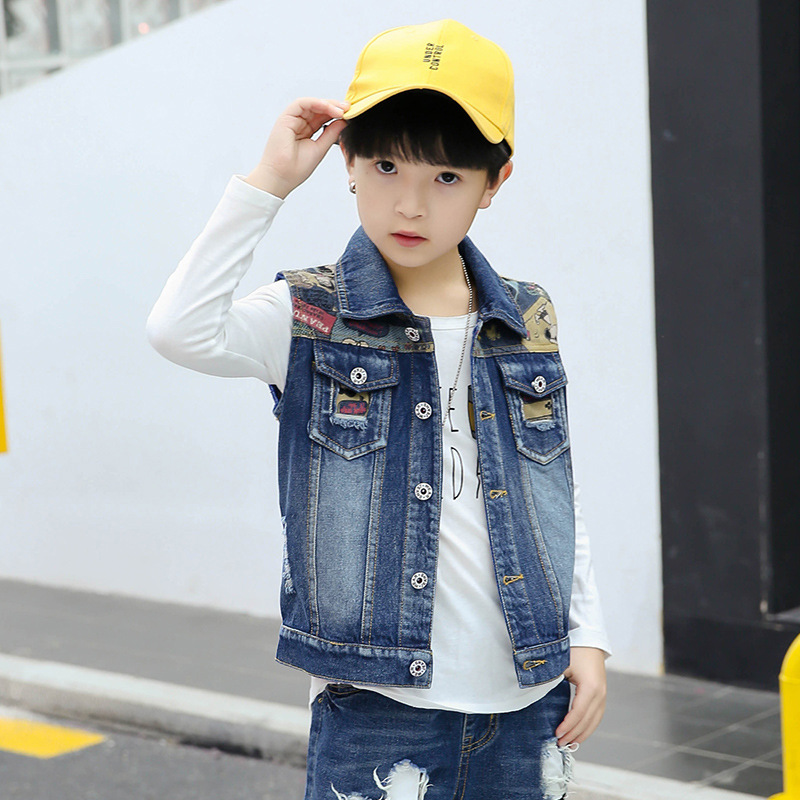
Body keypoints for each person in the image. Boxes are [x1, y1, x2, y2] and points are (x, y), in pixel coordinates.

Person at [147, 19, 611, 800]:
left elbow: (551, 493)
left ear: (494, 182)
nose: (411, 204)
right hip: (379, 711)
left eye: (447, 177)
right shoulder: (310, 316)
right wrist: (268, 182)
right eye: (387, 165)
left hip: (530, 703)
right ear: (349, 163)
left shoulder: (527, 316)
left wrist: (587, 637)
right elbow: (178, 329)